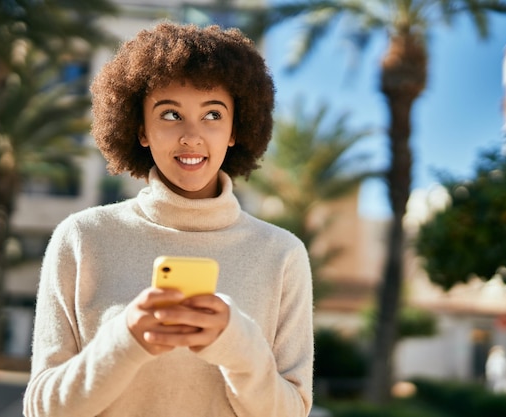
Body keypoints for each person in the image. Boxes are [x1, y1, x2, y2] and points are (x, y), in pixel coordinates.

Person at [23, 22, 314, 417]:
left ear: (235, 129)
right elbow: (41, 410)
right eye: (171, 114)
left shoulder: (282, 254)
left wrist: (237, 346)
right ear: (141, 129)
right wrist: (124, 341)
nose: (192, 136)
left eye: (213, 114)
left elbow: (291, 411)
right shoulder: (82, 238)